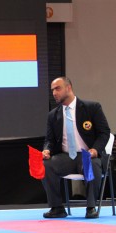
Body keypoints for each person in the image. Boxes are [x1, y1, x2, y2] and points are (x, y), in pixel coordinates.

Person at [42, 77, 110, 219]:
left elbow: (104, 133)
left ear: (69, 88)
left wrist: (95, 150)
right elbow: (49, 139)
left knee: (90, 164)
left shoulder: (92, 107)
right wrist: (47, 150)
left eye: (57, 88)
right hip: (66, 157)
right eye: (52, 90)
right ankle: (57, 207)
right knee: (45, 165)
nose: (54, 93)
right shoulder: (53, 115)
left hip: (88, 155)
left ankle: (91, 207)